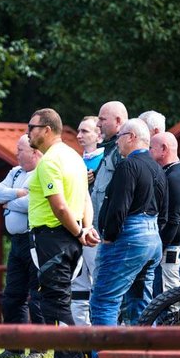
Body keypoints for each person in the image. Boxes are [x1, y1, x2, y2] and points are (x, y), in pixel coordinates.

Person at [25, 108, 99, 358]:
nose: (27, 133)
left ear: (46, 129)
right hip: (70, 237)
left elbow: (59, 207)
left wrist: (80, 231)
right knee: (62, 300)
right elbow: (85, 199)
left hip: (53, 238)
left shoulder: (49, 162)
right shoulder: (74, 157)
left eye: (31, 127)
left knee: (55, 303)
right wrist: (85, 228)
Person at [88, 119, 167, 358]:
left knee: (104, 299)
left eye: (119, 137)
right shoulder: (156, 168)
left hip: (129, 235)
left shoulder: (128, 166)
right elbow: (165, 210)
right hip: (152, 237)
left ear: (131, 136)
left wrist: (109, 236)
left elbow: (118, 206)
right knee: (141, 301)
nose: (116, 142)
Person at [0, 133, 43, 358]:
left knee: (37, 295)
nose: (16, 154)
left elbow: (35, 202)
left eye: (20, 150)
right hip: (17, 242)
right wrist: (18, 194)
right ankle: (14, 347)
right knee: (12, 295)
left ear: (35, 152)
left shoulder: (43, 171)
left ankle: (38, 348)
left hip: (36, 240)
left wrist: (9, 203)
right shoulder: (15, 172)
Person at [150, 132, 180, 292]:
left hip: (173, 248)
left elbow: (172, 220)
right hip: (175, 245)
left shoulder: (174, 177)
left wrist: (158, 249)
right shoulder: (174, 173)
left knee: (168, 296)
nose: (148, 152)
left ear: (163, 149)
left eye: (151, 148)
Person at [71, 115, 103, 326]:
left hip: (96, 232)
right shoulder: (75, 161)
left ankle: (102, 332)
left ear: (99, 136)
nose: (79, 135)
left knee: (99, 282)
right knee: (78, 284)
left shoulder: (107, 160)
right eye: (78, 131)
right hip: (75, 231)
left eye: (85, 131)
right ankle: (80, 333)